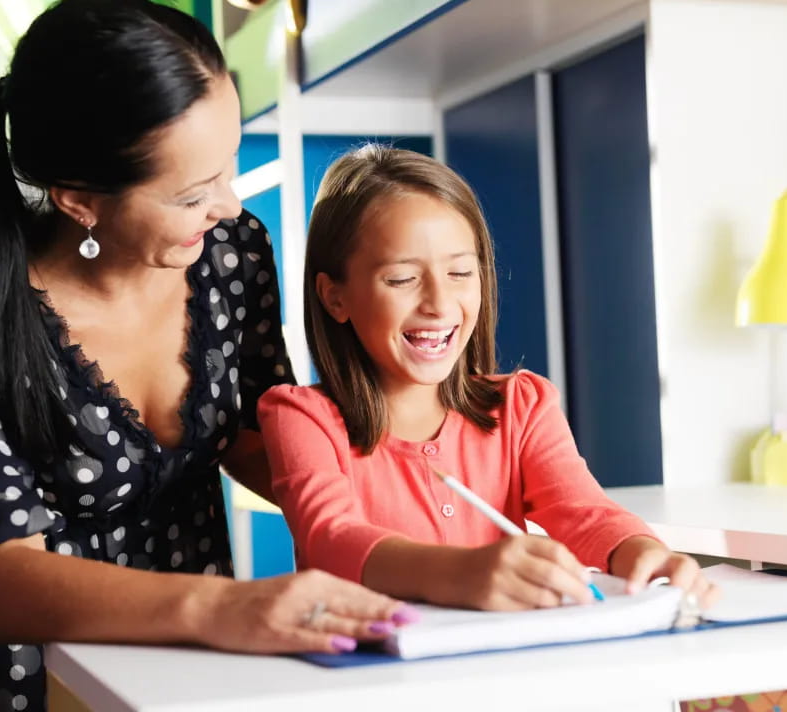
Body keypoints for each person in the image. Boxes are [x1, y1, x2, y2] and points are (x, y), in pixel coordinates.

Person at [0, 0, 415, 712]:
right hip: (24, 677)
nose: (229, 204)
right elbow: (7, 585)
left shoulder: (231, 254)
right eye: (194, 192)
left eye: (227, 168)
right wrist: (228, 608)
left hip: (185, 662)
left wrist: (409, 542)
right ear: (80, 201)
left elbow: (264, 440)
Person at [258, 145, 720, 612]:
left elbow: (584, 513)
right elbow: (330, 541)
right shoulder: (301, 417)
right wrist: (461, 571)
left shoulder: (523, 406)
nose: (439, 303)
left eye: (460, 272)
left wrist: (642, 552)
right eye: (401, 279)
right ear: (335, 297)